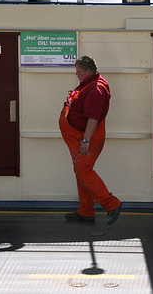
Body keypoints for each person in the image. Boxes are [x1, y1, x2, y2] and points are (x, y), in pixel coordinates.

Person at [59, 56, 122, 224]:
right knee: (80, 171)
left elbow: (93, 118)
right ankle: (85, 211)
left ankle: (112, 204)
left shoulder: (95, 89)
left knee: (84, 170)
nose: (76, 74)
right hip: (78, 136)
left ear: (88, 71)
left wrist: (86, 141)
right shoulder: (88, 83)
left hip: (85, 138)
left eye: (79, 71)